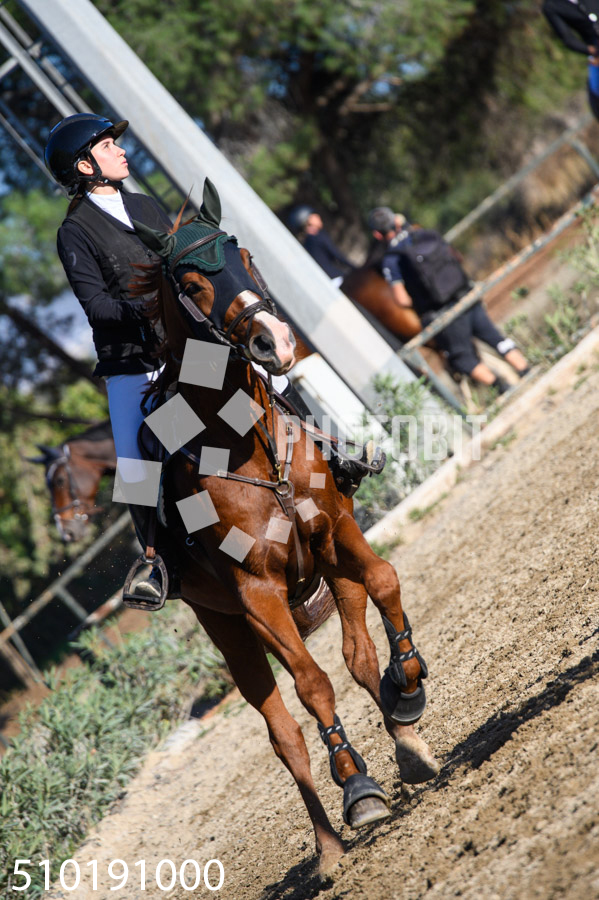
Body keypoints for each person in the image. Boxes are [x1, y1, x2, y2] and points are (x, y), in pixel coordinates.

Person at [45, 114, 382, 605]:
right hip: (135, 365)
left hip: (184, 349)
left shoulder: (142, 205)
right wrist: (152, 308)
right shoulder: (75, 232)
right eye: (106, 145)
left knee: (264, 383)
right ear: (84, 165)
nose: (119, 149)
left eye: (115, 142)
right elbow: (95, 306)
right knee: (138, 460)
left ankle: (333, 454)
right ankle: (157, 560)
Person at [367, 206, 530, 391]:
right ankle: (526, 371)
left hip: (443, 314)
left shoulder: (391, 260)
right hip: (465, 295)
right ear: (397, 221)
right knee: (496, 338)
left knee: (462, 360)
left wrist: (420, 300)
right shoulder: (425, 234)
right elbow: (456, 257)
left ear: (377, 235)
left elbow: (402, 299)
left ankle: (503, 388)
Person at [542, 0, 599, 120]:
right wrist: (592, 52)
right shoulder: (551, 6)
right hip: (596, 46)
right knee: (596, 88)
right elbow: (568, 38)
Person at [287, 205, 355, 287]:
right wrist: (355, 268)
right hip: (336, 279)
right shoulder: (318, 236)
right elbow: (336, 254)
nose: (318, 216)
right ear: (309, 221)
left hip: (323, 283)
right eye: (313, 215)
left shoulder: (306, 243)